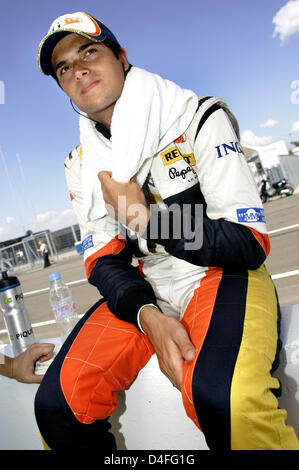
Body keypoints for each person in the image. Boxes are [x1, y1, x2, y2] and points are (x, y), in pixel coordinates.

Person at [34, 12, 299, 450]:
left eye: (89, 52)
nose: (78, 70)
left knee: (224, 396)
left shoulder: (197, 117)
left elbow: (248, 242)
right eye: (63, 68)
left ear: (121, 58)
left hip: (220, 270)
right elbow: (102, 259)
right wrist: (148, 316)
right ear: (64, 88)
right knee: (57, 406)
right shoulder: (81, 163)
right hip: (144, 285)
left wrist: (147, 221)